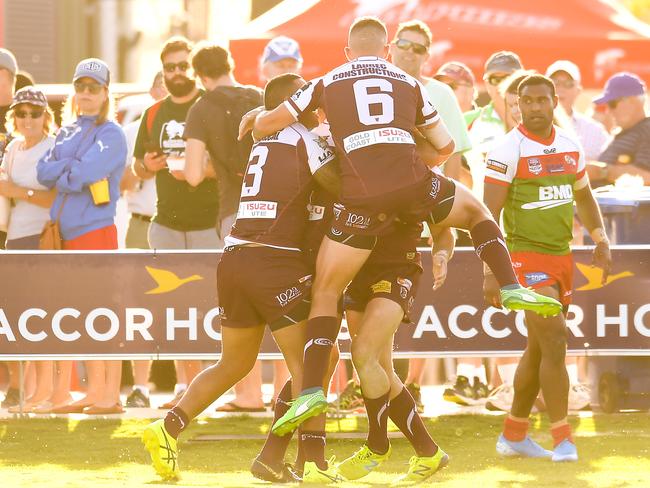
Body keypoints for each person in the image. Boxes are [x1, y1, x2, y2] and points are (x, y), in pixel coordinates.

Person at [141, 73, 336, 482]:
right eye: (307, 102)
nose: (317, 109)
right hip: (273, 260)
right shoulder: (307, 137)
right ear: (292, 105)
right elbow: (339, 181)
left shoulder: (263, 141)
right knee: (314, 363)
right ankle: (311, 464)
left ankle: (168, 427)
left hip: (234, 257)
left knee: (234, 362)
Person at [483, 74, 611, 462]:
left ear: (555, 101)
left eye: (542, 100)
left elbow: (584, 195)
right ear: (516, 104)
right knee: (555, 338)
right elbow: (488, 215)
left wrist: (600, 236)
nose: (535, 107)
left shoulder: (570, 145)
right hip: (524, 258)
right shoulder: (508, 149)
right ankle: (563, 439)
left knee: (539, 349)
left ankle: (514, 434)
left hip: (562, 257)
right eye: (527, 101)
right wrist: (492, 272)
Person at [388, 20, 473, 406]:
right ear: (391, 46)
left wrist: (445, 219)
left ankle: (414, 388)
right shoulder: (371, 82)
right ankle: (375, 388)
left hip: (423, 210)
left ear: (428, 55)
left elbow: (451, 158)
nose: (410, 51)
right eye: (404, 44)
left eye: (419, 48)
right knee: (374, 304)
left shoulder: (439, 93)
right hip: (377, 212)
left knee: (420, 306)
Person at [37, 58, 127, 414]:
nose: (86, 94)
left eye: (93, 88)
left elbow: (87, 171)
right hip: (64, 235)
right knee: (77, 313)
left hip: (95, 231)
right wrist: (70, 171)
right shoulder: (68, 129)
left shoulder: (113, 133)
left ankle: (109, 395)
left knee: (102, 312)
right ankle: (91, 391)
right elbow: (45, 172)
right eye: (80, 87)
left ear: (106, 93)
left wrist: (68, 171)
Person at [184, 42, 270, 413]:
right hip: (277, 210)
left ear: (200, 76)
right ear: (230, 65)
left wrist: (217, 171)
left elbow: (189, 174)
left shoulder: (201, 107)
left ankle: (249, 394)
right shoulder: (261, 96)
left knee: (243, 306)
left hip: (235, 211)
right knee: (288, 302)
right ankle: (292, 391)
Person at [336, 219, 455, 484]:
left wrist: (442, 254)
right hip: (355, 273)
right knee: (379, 370)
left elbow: (445, 229)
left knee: (363, 354)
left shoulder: (420, 178)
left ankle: (376, 444)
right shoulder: (346, 177)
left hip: (397, 270)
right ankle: (429, 452)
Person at [131, 36, 214, 408]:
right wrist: (145, 167)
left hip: (209, 222)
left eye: (183, 65)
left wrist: (199, 172)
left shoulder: (210, 106)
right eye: (170, 67)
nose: (177, 73)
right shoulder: (153, 113)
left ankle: (213, 386)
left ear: (194, 69)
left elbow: (232, 167)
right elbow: (137, 166)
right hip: (165, 221)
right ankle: (185, 386)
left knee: (212, 306)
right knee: (176, 308)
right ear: (163, 73)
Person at [0, 86, 56, 413]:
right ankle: (28, 392)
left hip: (41, 236)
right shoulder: (13, 149)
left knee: (42, 317)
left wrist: (18, 191)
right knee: (21, 317)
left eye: (34, 113)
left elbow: (55, 198)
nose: (27, 119)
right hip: (14, 238)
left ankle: (44, 392)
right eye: (21, 113)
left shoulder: (53, 147)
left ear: (46, 116)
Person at [122, 71, 168, 409]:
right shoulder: (132, 128)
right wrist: (144, 168)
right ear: (153, 90)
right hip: (140, 224)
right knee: (140, 309)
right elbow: (119, 182)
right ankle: (140, 386)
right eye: (162, 84)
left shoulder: (194, 124)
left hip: (180, 224)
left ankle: (187, 385)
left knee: (186, 305)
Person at [465, 51, 523, 198]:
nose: (502, 84)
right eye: (495, 79)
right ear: (486, 83)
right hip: (484, 211)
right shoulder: (467, 121)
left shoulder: (537, 119)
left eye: (509, 77)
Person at [589, 72, 650, 185]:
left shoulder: (647, 130)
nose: (609, 111)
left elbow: (647, 176)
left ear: (632, 101)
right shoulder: (626, 131)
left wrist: (602, 171)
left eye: (612, 104)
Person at [545, 60, 610, 162]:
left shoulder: (596, 131)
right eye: (555, 82)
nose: (561, 88)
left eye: (568, 84)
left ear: (578, 91)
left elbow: (609, 167)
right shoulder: (528, 126)